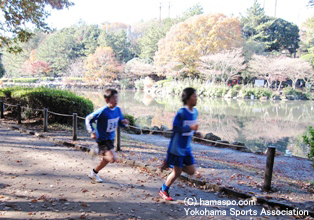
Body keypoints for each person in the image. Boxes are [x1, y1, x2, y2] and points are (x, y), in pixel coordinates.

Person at [159, 87, 199, 201]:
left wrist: (196, 132)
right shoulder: (182, 112)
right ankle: (164, 189)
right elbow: (176, 129)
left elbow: (192, 128)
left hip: (187, 148)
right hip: (177, 148)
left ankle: (170, 163)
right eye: (194, 97)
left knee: (191, 171)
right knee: (177, 173)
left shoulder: (195, 112)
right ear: (188, 98)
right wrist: (189, 128)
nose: (196, 99)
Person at [85, 89, 129, 183]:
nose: (116, 100)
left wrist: (124, 123)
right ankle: (97, 149)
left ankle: (94, 172)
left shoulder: (118, 110)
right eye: (113, 98)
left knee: (107, 159)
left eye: (117, 98)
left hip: (111, 139)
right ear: (107, 100)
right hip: (102, 139)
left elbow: (120, 123)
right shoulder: (102, 111)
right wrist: (92, 131)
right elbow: (88, 118)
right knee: (113, 158)